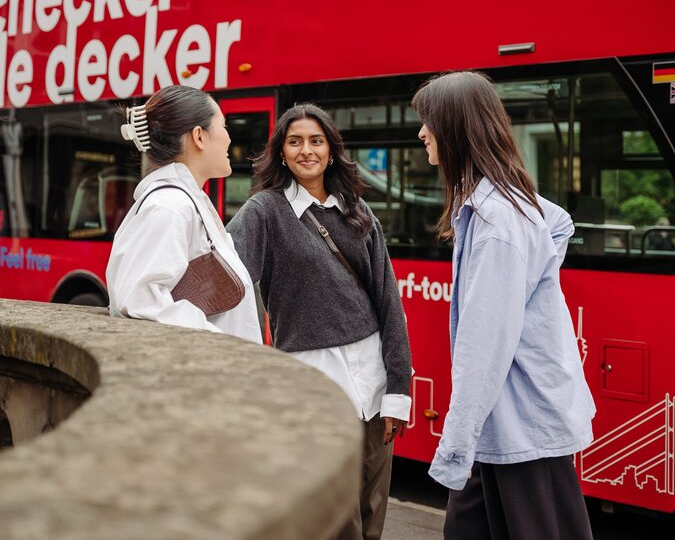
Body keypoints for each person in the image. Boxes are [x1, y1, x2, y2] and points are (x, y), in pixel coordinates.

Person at [412, 72, 596, 540]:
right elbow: (558, 223)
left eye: (428, 122)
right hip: (500, 427)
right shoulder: (492, 209)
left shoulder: (498, 224)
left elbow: (484, 344)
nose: (421, 133)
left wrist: (454, 446)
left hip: (520, 428)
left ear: (455, 129)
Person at [226, 103, 412, 540]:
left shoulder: (357, 211)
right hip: (312, 384)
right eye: (295, 142)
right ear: (281, 152)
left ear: (331, 150)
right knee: (334, 517)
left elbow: (389, 303)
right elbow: (224, 273)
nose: (305, 150)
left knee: (372, 511)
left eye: (315, 141)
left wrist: (399, 389)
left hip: (372, 383)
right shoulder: (265, 212)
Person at [106, 85, 262, 344]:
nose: (229, 139)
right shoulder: (170, 207)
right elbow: (139, 302)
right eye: (224, 126)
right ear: (199, 137)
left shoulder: (185, 202)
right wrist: (226, 345)